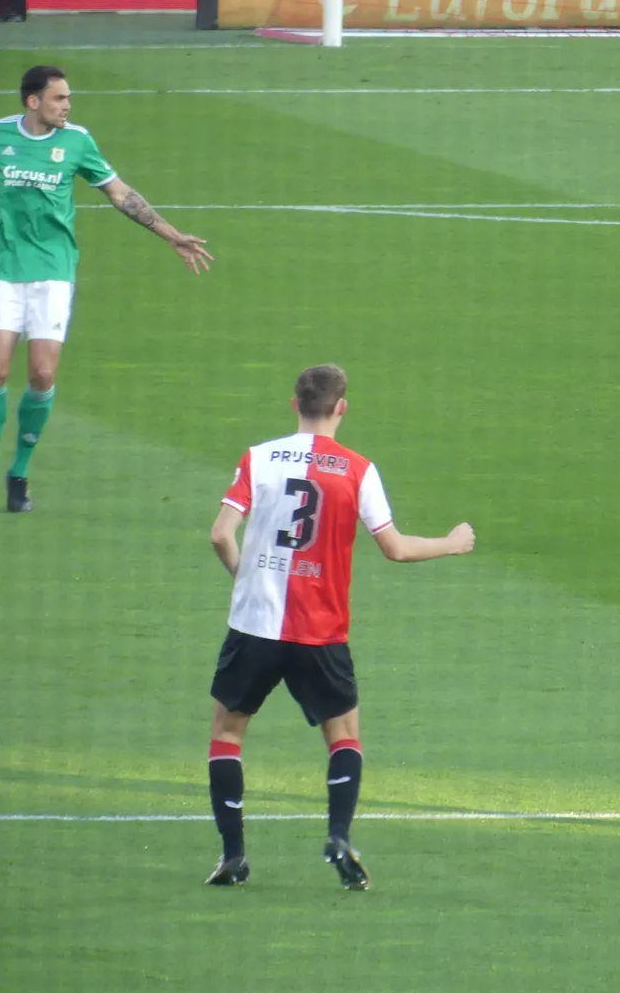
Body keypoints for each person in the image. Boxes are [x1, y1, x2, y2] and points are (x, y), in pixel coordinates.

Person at [204, 364, 475, 889]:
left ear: (294, 404)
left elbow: (220, 533)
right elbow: (394, 548)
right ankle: (338, 835)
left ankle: (233, 856)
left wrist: (247, 576)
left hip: (254, 624)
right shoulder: (358, 469)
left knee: (227, 734)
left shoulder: (258, 457)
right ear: (342, 407)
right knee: (343, 734)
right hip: (320, 631)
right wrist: (451, 541)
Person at [0, 65, 212, 513]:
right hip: (2, 269)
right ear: (33, 101)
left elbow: (120, 194)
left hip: (53, 271)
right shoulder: (0, 136)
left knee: (41, 375)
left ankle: (19, 471)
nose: (67, 106)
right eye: (59, 98)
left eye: (68, 98)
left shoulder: (77, 141)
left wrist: (170, 234)